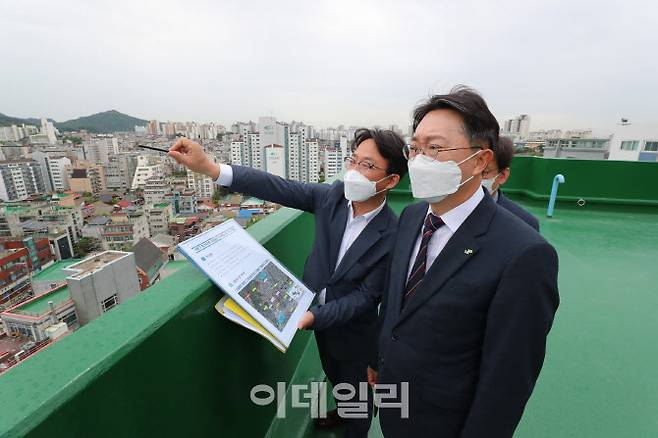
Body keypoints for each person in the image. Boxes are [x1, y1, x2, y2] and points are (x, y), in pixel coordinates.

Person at [169, 129, 407, 438]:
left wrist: (314, 317)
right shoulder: (333, 197)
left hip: (353, 333)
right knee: (336, 377)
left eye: (368, 166)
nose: (355, 172)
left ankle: (356, 427)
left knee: (356, 391)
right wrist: (212, 169)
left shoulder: (392, 234)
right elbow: (278, 187)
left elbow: (365, 297)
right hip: (315, 323)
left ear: (390, 181)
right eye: (354, 161)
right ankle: (343, 410)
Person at [368, 86, 559, 438]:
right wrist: (378, 359)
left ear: (481, 161)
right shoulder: (411, 217)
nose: (419, 160)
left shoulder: (524, 254)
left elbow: (508, 380)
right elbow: (395, 301)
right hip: (397, 403)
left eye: (435, 149)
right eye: (416, 148)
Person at [482, 136, 540, 231]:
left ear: (502, 176)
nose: (474, 178)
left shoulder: (525, 224)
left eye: (484, 173)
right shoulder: (451, 208)